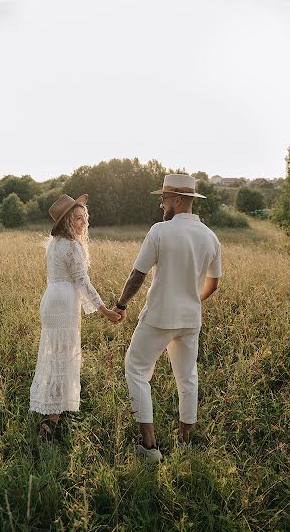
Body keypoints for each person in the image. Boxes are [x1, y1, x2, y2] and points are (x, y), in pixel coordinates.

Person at [113, 173, 222, 463]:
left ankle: (148, 447)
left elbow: (139, 274)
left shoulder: (159, 232)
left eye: (163, 199)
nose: (161, 205)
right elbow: (213, 283)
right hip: (190, 319)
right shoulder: (210, 237)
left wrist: (121, 303)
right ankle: (185, 440)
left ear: (177, 200)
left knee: (135, 369)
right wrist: (191, 299)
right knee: (187, 377)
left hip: (159, 317)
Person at [29, 193, 120, 439]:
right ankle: (52, 420)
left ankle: (53, 411)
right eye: (78, 219)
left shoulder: (54, 244)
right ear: (67, 221)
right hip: (64, 301)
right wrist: (105, 311)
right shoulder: (71, 246)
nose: (83, 224)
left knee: (55, 354)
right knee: (63, 356)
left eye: (85, 219)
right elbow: (83, 283)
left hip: (50, 298)